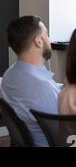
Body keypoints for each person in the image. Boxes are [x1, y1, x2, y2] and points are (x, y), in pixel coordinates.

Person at [1, 15, 62, 146]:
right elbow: (67, 134)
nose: (49, 40)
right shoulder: (42, 88)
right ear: (38, 42)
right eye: (47, 35)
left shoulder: (9, 75)